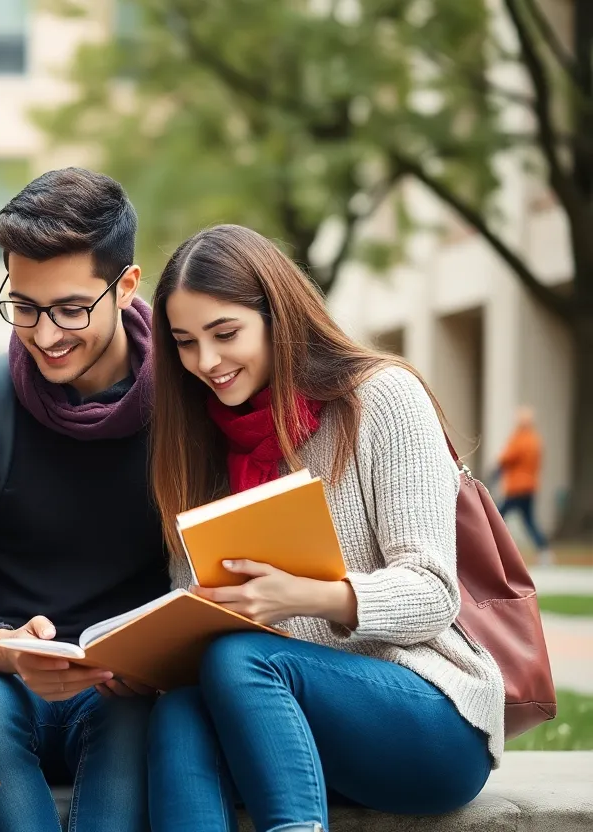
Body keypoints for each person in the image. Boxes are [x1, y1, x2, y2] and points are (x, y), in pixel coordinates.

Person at [144, 225, 504, 832]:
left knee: (241, 659)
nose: (206, 362)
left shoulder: (382, 398)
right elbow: (201, 608)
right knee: (178, 709)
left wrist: (305, 596)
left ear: (277, 318)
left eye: (225, 334)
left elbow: (434, 592)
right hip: (280, 723)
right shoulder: (198, 445)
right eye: (185, 342)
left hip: (428, 713)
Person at [0, 168, 170, 832]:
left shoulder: (185, 413)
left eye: (71, 309)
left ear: (126, 285)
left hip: (128, 696)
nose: (46, 335)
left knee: (139, 716)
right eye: (24, 307)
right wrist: (7, 648)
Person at [494, 406, 554, 564]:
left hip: (517, 487)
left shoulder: (520, 439)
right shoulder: (535, 440)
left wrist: (495, 472)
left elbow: (507, 457)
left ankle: (491, 547)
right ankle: (544, 550)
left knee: (497, 517)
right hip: (530, 487)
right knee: (529, 521)